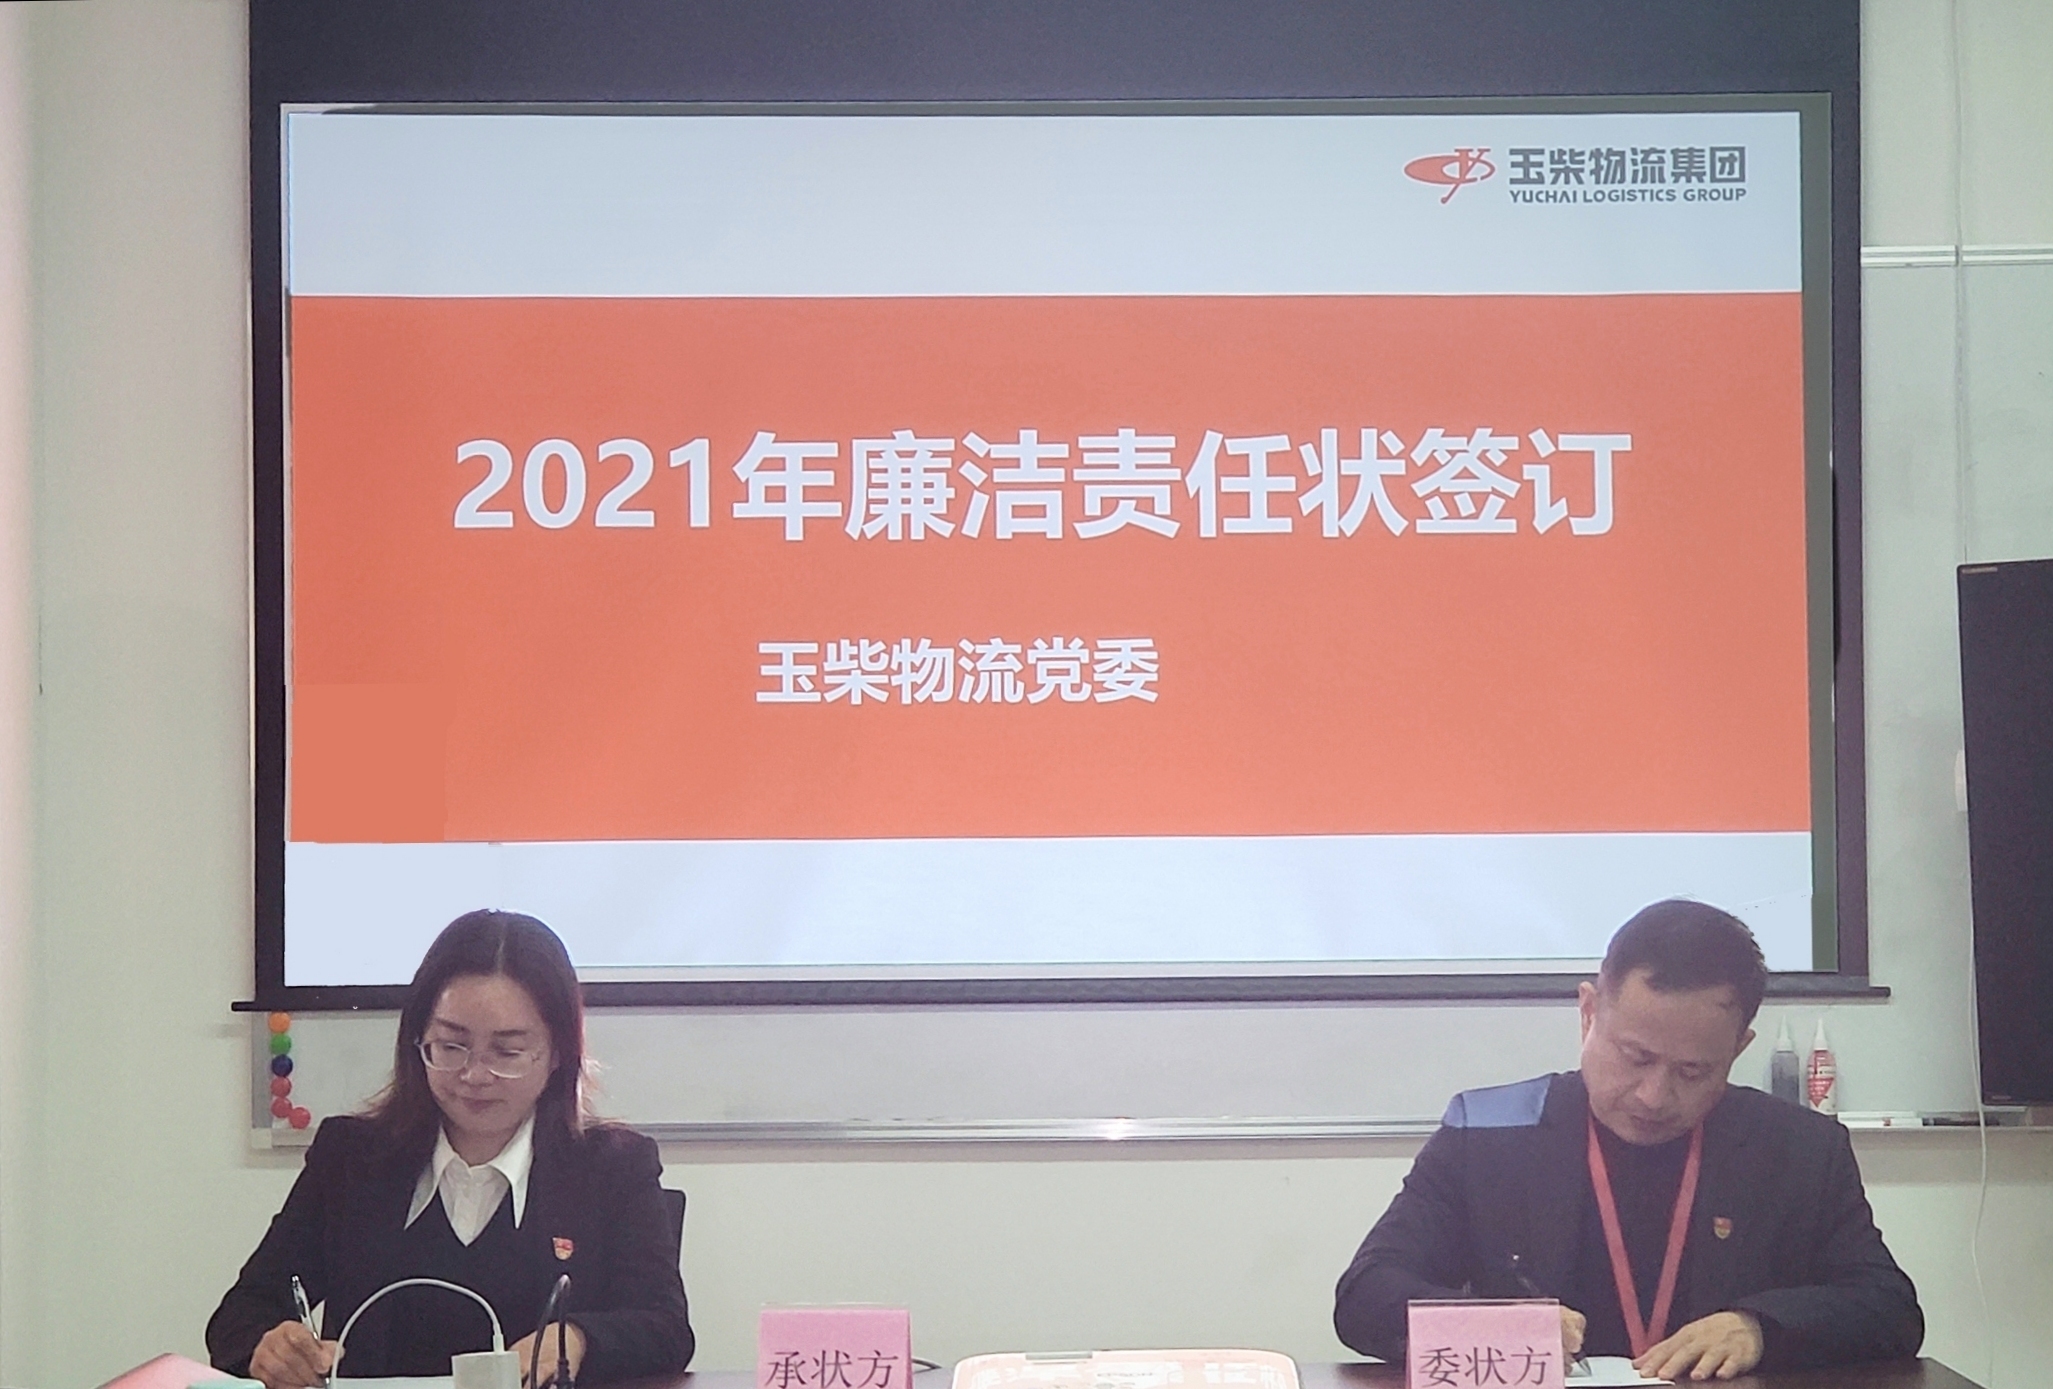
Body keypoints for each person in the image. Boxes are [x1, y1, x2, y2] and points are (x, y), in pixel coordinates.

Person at [1333, 899, 1923, 1382]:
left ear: (1738, 1049)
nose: (1653, 1096)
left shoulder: (1799, 1149)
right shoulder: (1486, 1132)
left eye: (1692, 1071)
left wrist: (1761, 1328)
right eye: (1635, 1057)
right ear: (1589, 1012)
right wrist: (1498, 1325)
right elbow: (1365, 1296)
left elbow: (1889, 1307)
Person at [207, 910, 694, 1387]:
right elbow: (239, 1317)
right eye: (451, 1046)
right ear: (418, 1041)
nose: (475, 1075)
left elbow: (665, 1328)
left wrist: (579, 1339)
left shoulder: (612, 1167)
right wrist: (271, 1347)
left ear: (557, 1055)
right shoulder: (350, 1158)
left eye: (507, 1051)